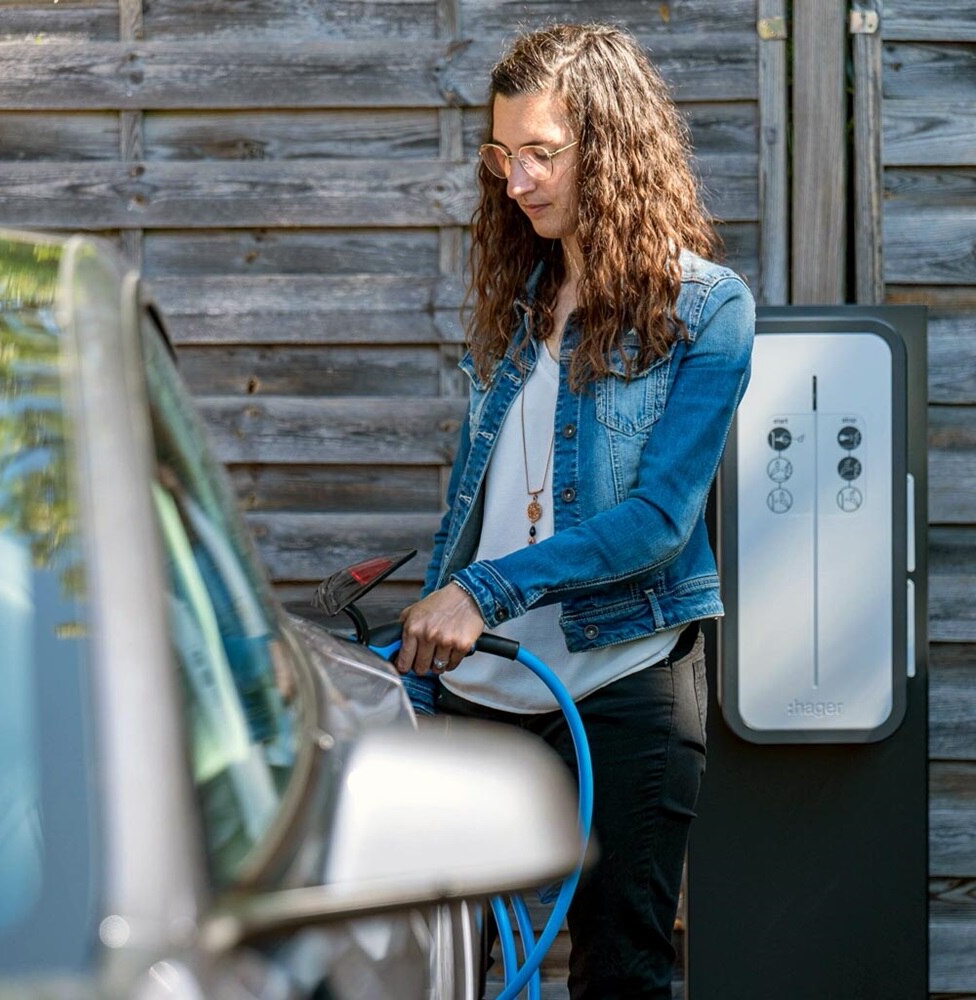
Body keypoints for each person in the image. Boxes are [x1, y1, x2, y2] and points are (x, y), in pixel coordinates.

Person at [394, 22, 755, 999]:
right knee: (451, 972)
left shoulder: (708, 310)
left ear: (611, 146)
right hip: (488, 691)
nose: (514, 181)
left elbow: (657, 520)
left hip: (626, 680)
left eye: (541, 154)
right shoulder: (519, 305)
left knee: (621, 973)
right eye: (500, 156)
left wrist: (484, 590)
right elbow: (479, 508)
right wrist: (419, 661)